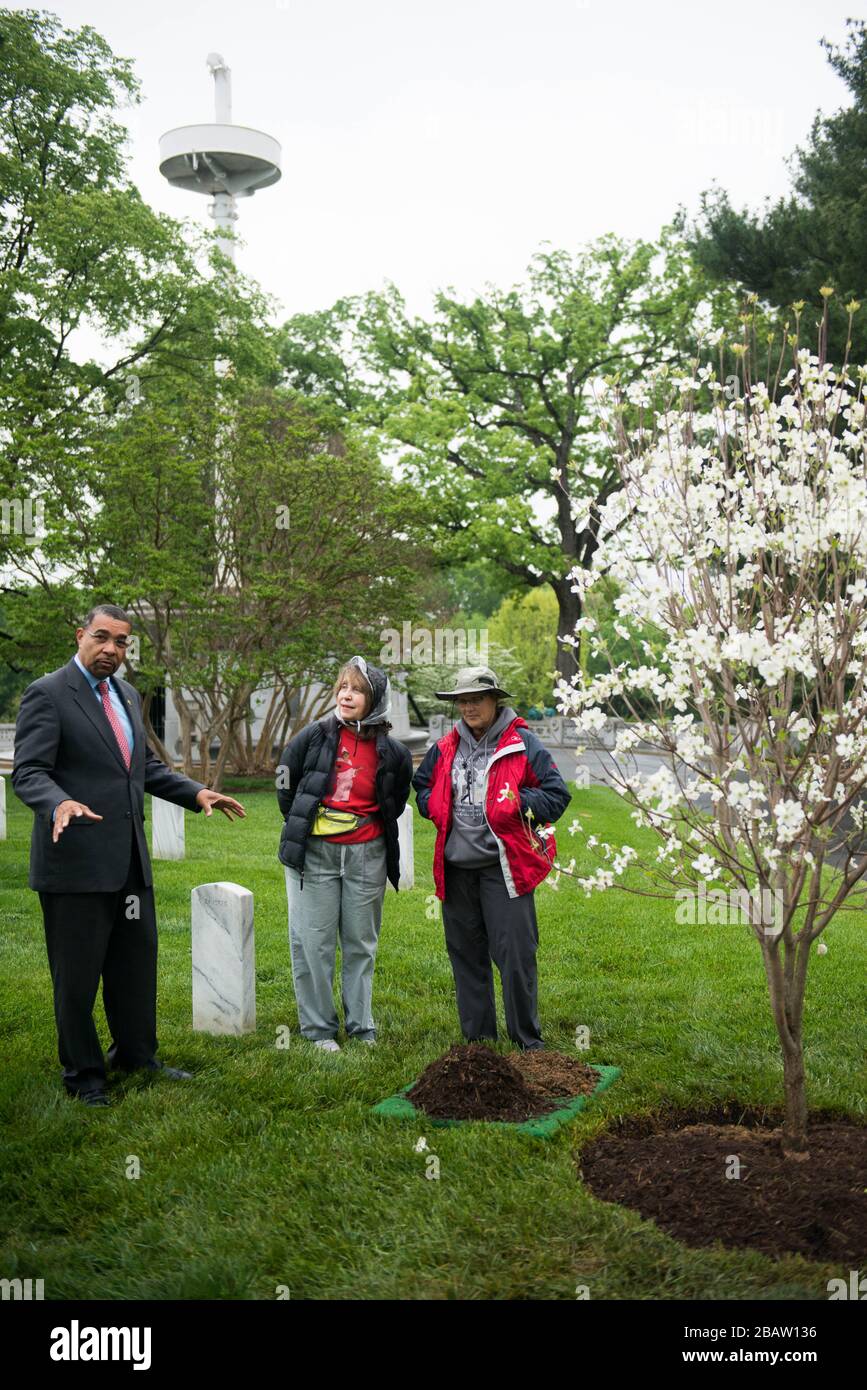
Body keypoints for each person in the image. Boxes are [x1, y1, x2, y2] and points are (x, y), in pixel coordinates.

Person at [12, 603, 246, 1106]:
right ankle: (84, 1077)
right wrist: (60, 801)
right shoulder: (48, 694)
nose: (112, 650)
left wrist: (196, 792)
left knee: (134, 967)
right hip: (74, 864)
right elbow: (28, 771)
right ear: (81, 635)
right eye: (102, 638)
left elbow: (140, 767)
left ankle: (137, 1056)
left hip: (130, 863)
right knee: (76, 979)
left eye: (121, 642)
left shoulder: (126, 693)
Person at [412, 666, 570, 1050]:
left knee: (515, 957)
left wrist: (516, 803)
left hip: (505, 869)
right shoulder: (446, 746)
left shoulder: (523, 744)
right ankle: (478, 1044)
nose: (469, 707)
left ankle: (527, 1043)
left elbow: (557, 795)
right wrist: (436, 806)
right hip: (456, 870)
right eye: (462, 701)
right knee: (466, 958)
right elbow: (422, 786)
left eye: (476, 699)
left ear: (494, 700)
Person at [277, 656, 413, 1051]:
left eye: (357, 689)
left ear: (375, 699)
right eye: (342, 687)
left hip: (366, 856)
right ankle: (319, 1030)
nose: (346, 694)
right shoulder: (313, 736)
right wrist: (307, 826)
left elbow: (397, 798)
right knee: (313, 944)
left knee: (360, 944)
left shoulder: (395, 752)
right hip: (315, 856)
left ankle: (361, 1026)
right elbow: (286, 787)